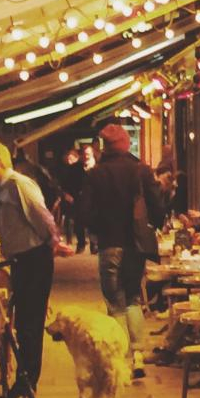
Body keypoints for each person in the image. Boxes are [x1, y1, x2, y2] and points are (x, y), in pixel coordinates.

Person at [0, 138, 70, 398]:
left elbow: (42, 216)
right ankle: (22, 385)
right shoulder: (4, 188)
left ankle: (27, 387)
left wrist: (53, 242)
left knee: (29, 325)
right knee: (23, 324)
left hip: (33, 259)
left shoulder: (18, 185)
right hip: (21, 260)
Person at [78, 124, 165, 379]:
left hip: (109, 244)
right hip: (136, 245)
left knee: (115, 303)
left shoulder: (96, 174)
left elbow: (83, 212)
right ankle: (138, 355)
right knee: (133, 298)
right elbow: (157, 206)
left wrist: (98, 227)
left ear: (105, 147)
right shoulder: (141, 170)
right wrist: (153, 225)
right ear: (126, 144)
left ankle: (120, 355)